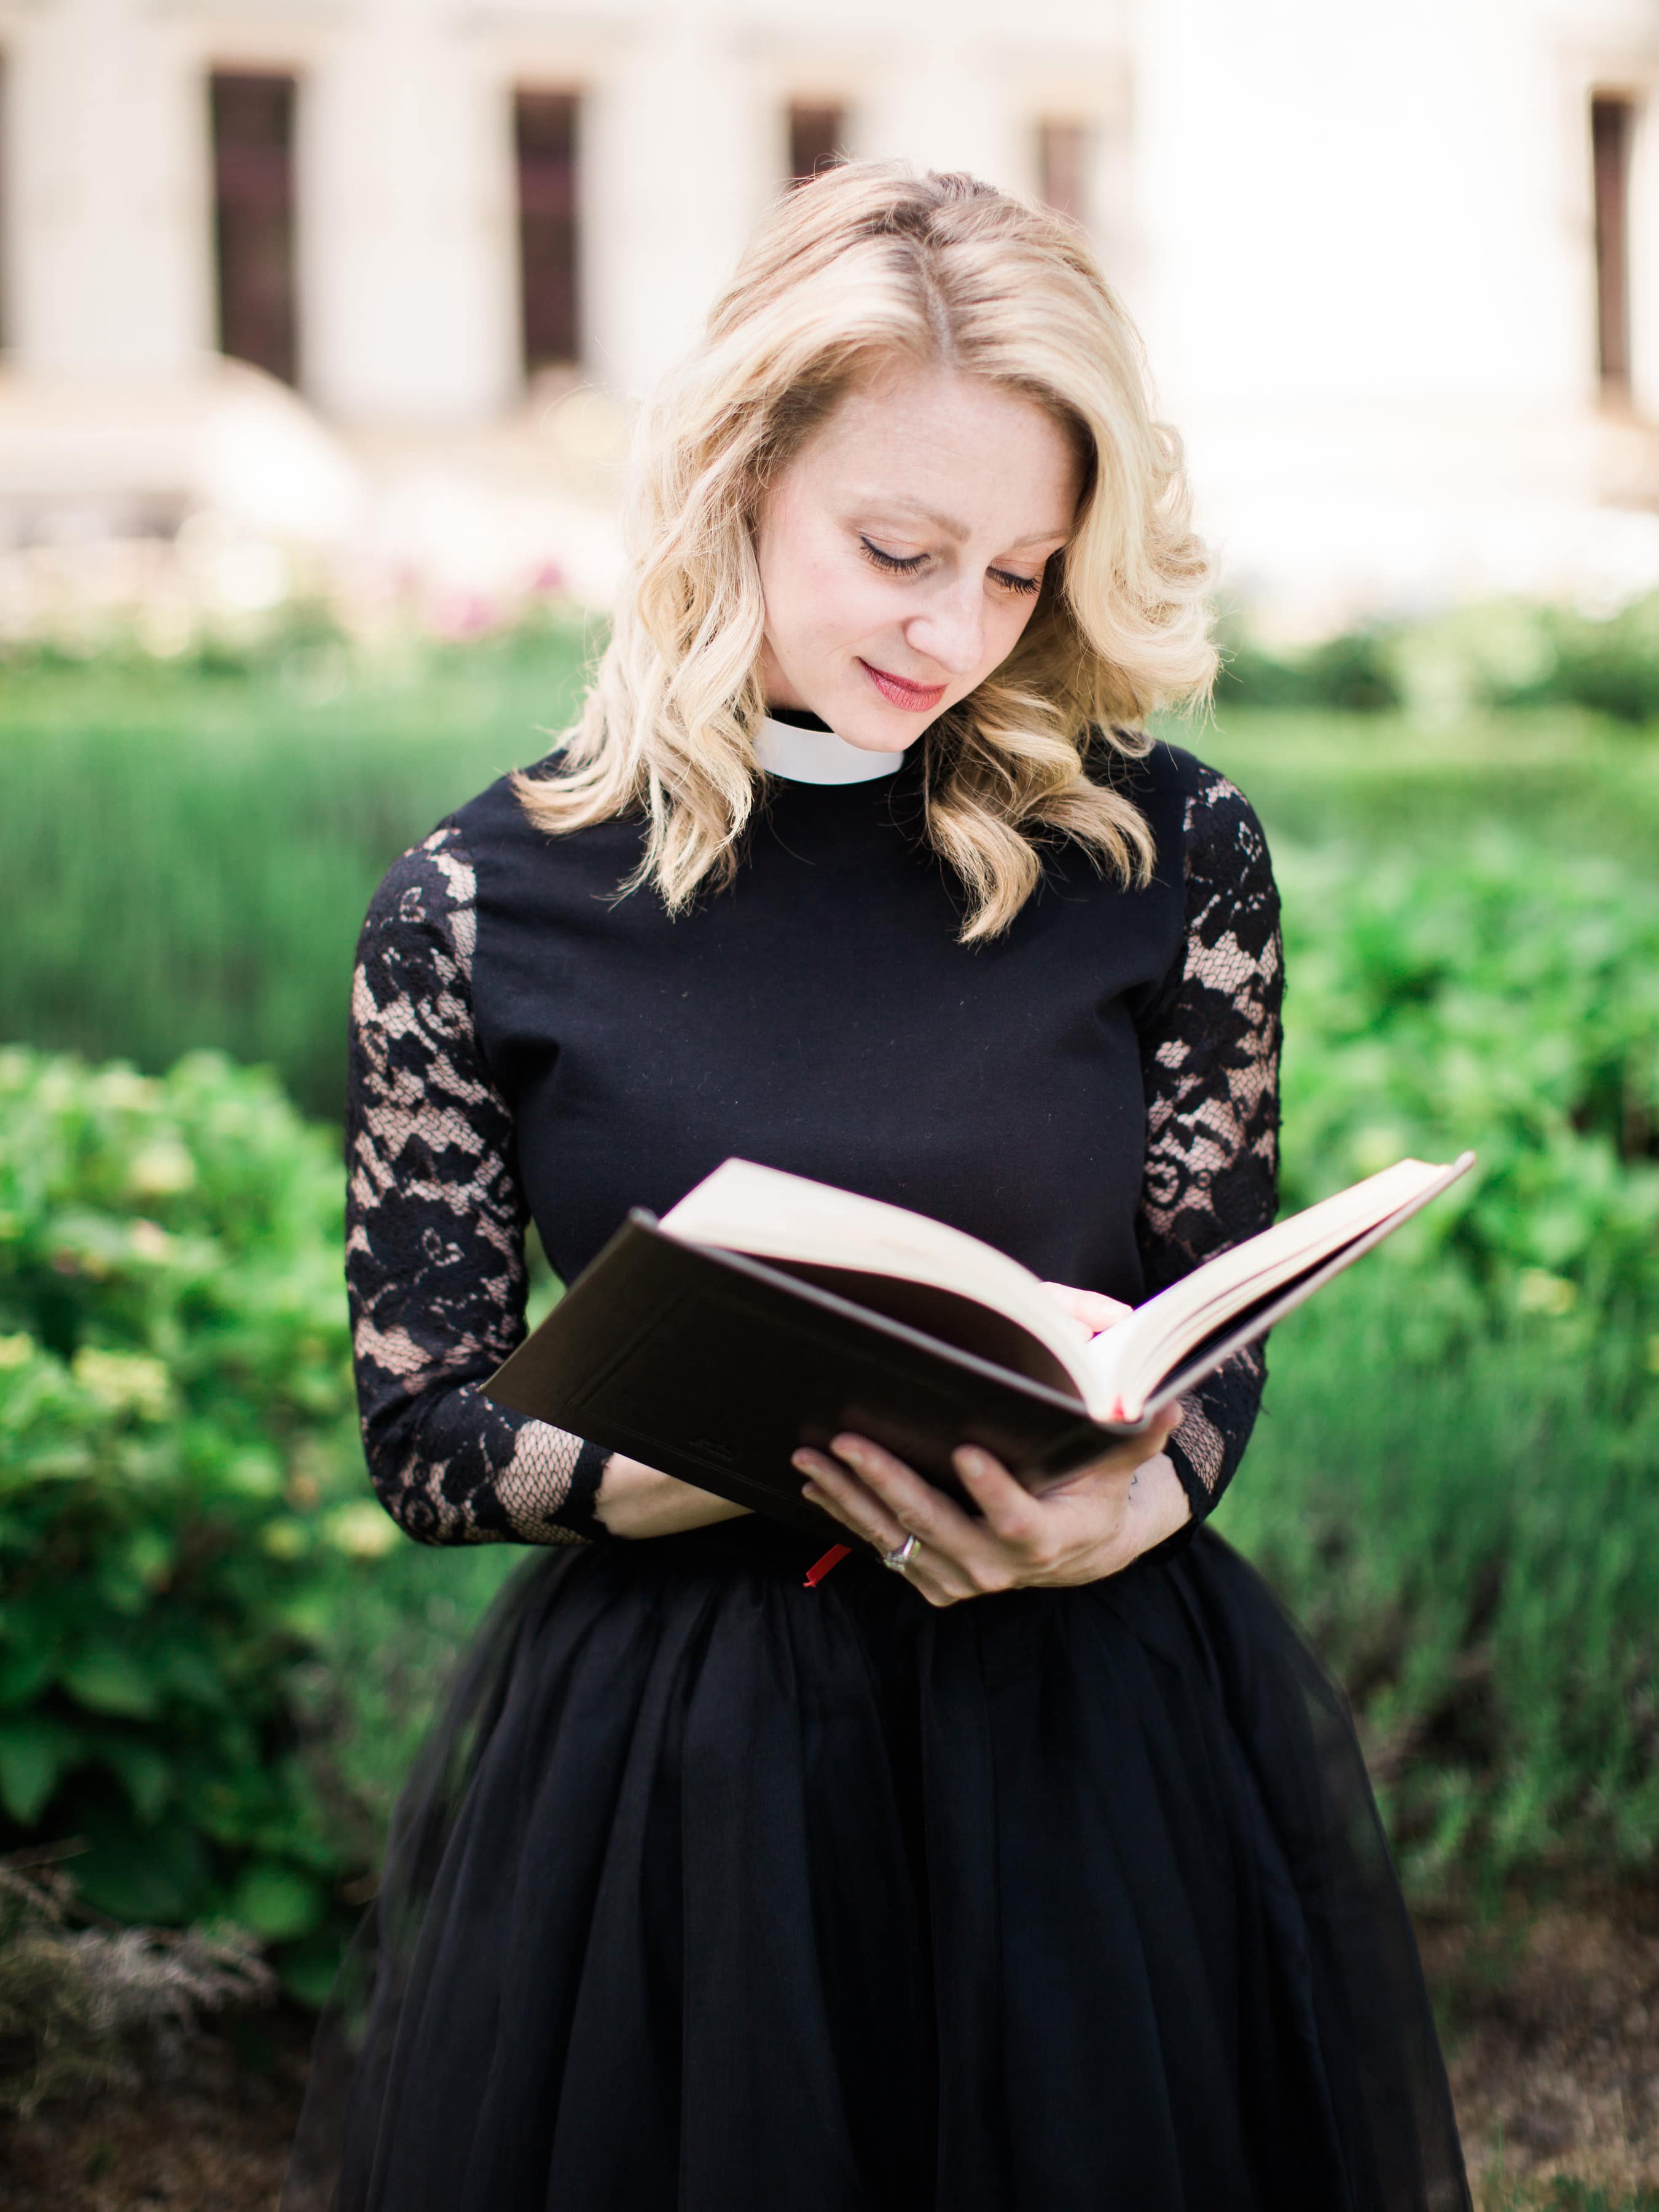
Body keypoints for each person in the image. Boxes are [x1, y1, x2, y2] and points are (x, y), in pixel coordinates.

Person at [284, 163, 1470, 2212]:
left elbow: (1203, 1333)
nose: (957, 631)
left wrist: (1136, 1501)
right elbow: (429, 1441)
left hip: (1087, 1733)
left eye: (1020, 571)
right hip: (686, 1781)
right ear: (734, 479)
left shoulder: (1169, 855)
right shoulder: (475, 909)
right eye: (900, 551)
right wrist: (755, 1444)